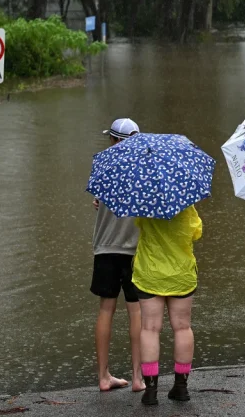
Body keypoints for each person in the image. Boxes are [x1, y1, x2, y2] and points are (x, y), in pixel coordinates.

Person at [90, 117, 144, 392]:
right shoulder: (145, 169)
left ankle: (103, 376)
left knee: (105, 310)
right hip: (136, 251)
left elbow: (97, 201)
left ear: (112, 140)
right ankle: (137, 378)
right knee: (136, 313)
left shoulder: (101, 164)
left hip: (105, 248)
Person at [135, 206, 203, 406]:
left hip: (150, 273)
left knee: (149, 328)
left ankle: (151, 390)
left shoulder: (144, 203)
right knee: (182, 327)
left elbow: (138, 225)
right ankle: (181, 387)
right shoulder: (186, 205)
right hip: (181, 275)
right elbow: (197, 232)